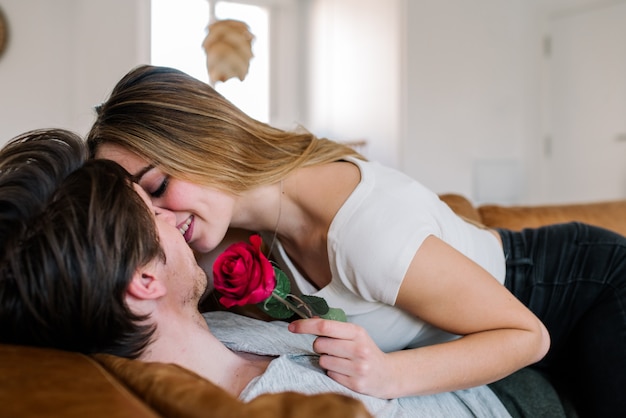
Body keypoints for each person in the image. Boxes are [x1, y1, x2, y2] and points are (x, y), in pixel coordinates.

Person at [86, 64, 626, 418]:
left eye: (157, 187)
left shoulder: (362, 232)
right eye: (141, 208)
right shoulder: (235, 231)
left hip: (576, 291)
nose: (158, 216)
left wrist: (388, 375)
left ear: (202, 143)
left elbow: (525, 336)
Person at [0, 128, 516, 417]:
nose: (173, 220)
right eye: (152, 213)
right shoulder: (296, 409)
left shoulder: (217, 329)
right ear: (144, 283)